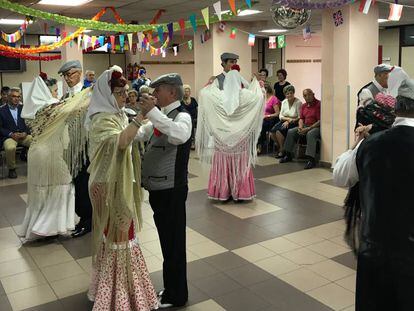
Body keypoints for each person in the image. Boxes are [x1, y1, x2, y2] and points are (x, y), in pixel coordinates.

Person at [333, 79, 414, 311]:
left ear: (395, 107)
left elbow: (339, 176)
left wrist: (356, 143)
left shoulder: (370, 145)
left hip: (375, 252)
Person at [85, 65, 158, 311]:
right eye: (119, 92)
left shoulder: (115, 113)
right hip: (106, 184)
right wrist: (140, 117)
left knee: (119, 235)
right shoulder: (100, 119)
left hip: (116, 181)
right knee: (119, 234)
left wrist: (148, 125)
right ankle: (118, 294)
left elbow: (131, 136)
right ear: (106, 94)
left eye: (125, 91)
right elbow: (121, 141)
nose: (124, 96)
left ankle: (118, 287)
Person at [136, 73, 192, 308]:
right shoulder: (162, 117)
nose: (154, 95)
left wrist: (153, 113)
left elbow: (179, 135)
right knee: (167, 244)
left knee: (174, 245)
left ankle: (177, 295)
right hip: (159, 189)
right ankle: (171, 288)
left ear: (171, 92)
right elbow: (141, 134)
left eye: (157, 91)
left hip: (172, 190)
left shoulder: (182, 116)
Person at [18, 73, 90, 241]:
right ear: (47, 92)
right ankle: (47, 229)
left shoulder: (31, 109)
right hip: (50, 153)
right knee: (61, 185)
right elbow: (75, 108)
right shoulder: (50, 107)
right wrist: (92, 90)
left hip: (36, 152)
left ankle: (38, 227)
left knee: (41, 190)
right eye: (55, 91)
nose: (57, 94)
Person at [197, 68, 265, 202]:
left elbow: (204, 93)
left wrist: (210, 84)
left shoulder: (219, 96)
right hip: (240, 138)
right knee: (240, 163)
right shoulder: (246, 95)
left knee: (222, 163)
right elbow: (260, 96)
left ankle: (223, 192)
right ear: (239, 81)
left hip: (222, 137)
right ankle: (240, 192)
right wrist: (258, 84)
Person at [58, 60, 93, 238]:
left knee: (84, 185)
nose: (67, 78)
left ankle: (88, 221)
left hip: (86, 148)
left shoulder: (89, 95)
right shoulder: (65, 98)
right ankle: (83, 217)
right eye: (64, 75)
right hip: (69, 148)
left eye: (69, 74)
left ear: (79, 73)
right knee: (75, 185)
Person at [280, 88, 321, 169]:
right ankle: (288, 155)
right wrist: (300, 127)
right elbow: (301, 119)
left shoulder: (318, 104)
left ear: (313, 94)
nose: (307, 97)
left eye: (309, 94)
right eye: (305, 95)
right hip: (305, 125)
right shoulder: (304, 106)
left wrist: (309, 128)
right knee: (291, 131)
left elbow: (320, 121)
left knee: (310, 134)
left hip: (316, 127)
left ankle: (311, 160)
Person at [0, 87, 31, 179]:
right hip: (9, 136)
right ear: (8, 97)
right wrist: (10, 134)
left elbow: (29, 123)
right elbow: (0, 127)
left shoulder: (23, 108)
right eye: (14, 96)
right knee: (10, 147)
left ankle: (33, 166)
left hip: (23, 135)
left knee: (36, 142)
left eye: (18, 97)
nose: (16, 98)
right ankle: (12, 169)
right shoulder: (1, 110)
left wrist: (25, 132)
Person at [270, 85, 302, 159]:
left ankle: (282, 150)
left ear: (294, 93)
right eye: (287, 94)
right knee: (272, 133)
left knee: (279, 131)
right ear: (285, 95)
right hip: (284, 121)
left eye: (291, 93)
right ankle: (282, 147)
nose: (289, 95)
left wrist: (290, 121)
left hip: (294, 122)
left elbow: (300, 116)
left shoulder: (298, 102)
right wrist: (287, 120)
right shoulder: (284, 102)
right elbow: (280, 116)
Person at [257, 84, 280, 154]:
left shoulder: (274, 99)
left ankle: (259, 145)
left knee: (261, 126)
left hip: (271, 120)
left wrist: (268, 116)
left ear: (266, 90)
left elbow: (277, 113)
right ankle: (256, 144)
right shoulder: (263, 99)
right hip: (263, 119)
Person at [181, 84, 198, 150]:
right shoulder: (180, 101)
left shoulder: (193, 100)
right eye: (185, 91)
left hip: (194, 119)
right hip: (184, 120)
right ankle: (188, 142)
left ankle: (192, 142)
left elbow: (196, 109)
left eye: (188, 91)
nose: (186, 93)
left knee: (192, 123)